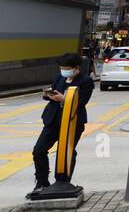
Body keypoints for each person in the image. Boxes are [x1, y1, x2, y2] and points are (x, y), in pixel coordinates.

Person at [29, 52, 94, 197]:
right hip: (52, 120)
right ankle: (42, 182)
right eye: (61, 67)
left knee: (66, 152)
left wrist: (64, 99)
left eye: (66, 67)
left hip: (72, 122)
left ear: (76, 68)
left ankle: (63, 182)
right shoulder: (60, 77)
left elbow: (81, 102)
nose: (63, 70)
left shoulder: (85, 81)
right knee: (39, 150)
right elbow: (53, 94)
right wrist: (49, 94)